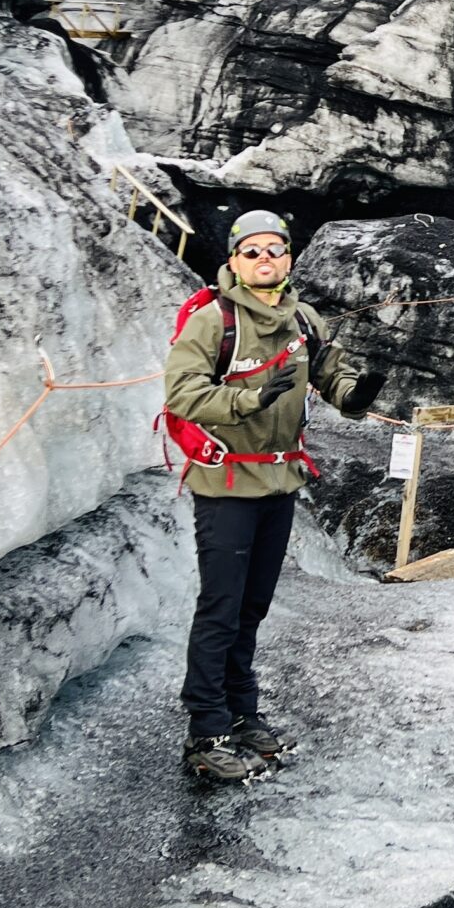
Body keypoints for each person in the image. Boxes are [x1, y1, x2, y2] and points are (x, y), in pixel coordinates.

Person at [164, 208, 383, 783]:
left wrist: (356, 395)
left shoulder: (301, 317)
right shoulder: (213, 322)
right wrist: (250, 401)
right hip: (228, 484)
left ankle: (242, 713)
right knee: (221, 607)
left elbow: (327, 376)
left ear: (290, 256)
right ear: (234, 258)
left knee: (253, 606)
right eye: (253, 251)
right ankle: (204, 729)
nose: (266, 260)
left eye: (276, 250)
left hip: (280, 481)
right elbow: (183, 395)